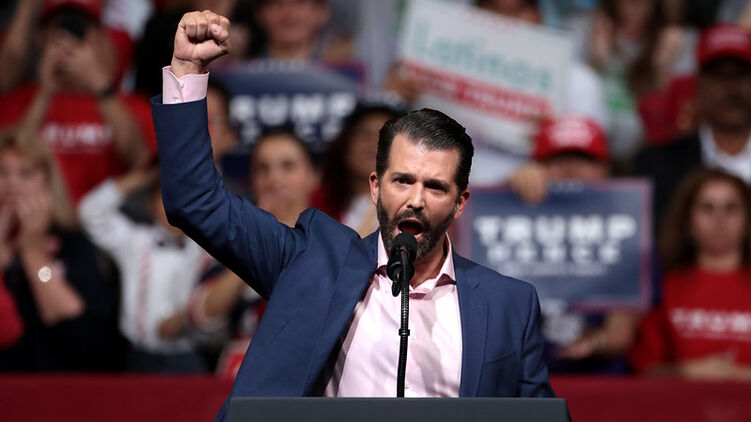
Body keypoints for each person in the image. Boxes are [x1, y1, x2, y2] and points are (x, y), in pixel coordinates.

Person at [152, 10, 553, 420]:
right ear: (375, 187)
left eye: (435, 187)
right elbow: (196, 200)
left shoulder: (509, 303)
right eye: (402, 181)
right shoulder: (312, 262)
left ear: (460, 202)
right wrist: (187, 71)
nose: (416, 199)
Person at [508, 116, 640, 373]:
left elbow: (621, 333)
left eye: (583, 159)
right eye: (557, 160)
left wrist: (599, 341)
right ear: (534, 168)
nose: (570, 169)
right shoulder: (505, 219)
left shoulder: (628, 229)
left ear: (605, 170)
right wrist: (505, 193)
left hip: (600, 384)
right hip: (519, 386)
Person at [190, 129, 318, 376]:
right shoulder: (230, 237)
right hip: (243, 374)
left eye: (288, 166)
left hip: (313, 374)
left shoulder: (337, 240)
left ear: (313, 175)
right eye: (263, 168)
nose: (274, 179)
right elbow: (201, 316)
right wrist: (254, 239)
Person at [0, 0, 155, 204]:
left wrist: (101, 85)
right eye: (59, 30)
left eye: (79, 30)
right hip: (33, 214)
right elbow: (12, 163)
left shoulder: (130, 105)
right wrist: (44, 93)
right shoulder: (17, 102)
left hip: (106, 218)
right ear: (41, 37)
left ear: (99, 37)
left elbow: (141, 162)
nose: (69, 41)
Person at [0, 129, 120, 371]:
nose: (12, 183)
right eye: (2, 172)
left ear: (47, 181)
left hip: (54, 379)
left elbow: (80, 331)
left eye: (25, 173)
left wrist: (34, 256)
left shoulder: (71, 242)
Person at [78, 162, 213, 373]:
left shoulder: (209, 249)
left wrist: (186, 318)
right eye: (166, 197)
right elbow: (90, 212)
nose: (176, 206)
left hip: (190, 357)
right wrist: (142, 178)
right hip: (139, 358)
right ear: (150, 203)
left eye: (185, 197)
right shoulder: (135, 242)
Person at [629, 168, 751, 379]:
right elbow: (644, 370)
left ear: (747, 220)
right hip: (680, 399)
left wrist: (741, 376)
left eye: (731, 208)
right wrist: (687, 372)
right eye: (707, 208)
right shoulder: (663, 287)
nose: (719, 218)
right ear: (688, 221)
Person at [635, 24, 751, 225]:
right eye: (719, 76)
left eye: (742, 74)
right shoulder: (656, 168)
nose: (732, 88)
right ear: (699, 85)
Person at [314, 103, 402, 236]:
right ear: (345, 144)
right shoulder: (316, 204)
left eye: (385, 136)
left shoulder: (418, 205)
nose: (373, 144)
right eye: (364, 134)